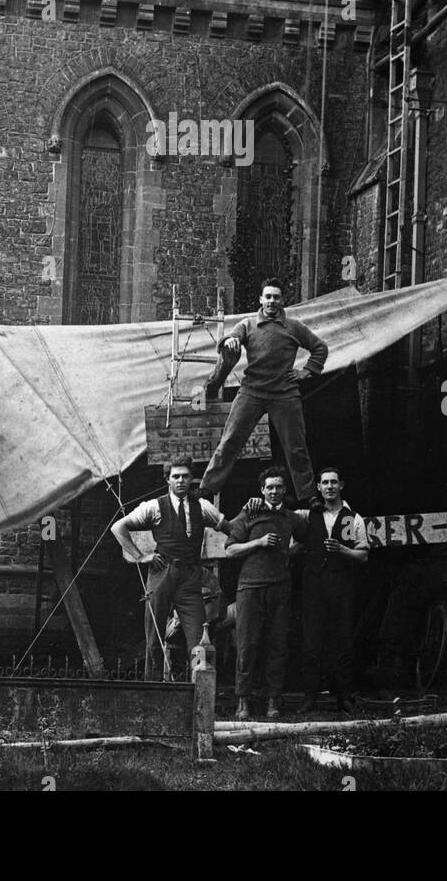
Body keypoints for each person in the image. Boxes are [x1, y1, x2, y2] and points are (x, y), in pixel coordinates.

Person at [199, 277, 327, 504]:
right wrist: (230, 342)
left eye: (276, 297)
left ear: (282, 301)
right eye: (268, 297)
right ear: (261, 299)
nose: (272, 301)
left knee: (296, 448)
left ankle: (308, 496)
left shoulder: (294, 327)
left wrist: (306, 372)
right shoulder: (248, 324)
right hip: (252, 391)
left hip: (284, 393)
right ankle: (207, 489)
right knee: (230, 441)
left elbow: (320, 348)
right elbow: (231, 337)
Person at [111, 457, 233, 679]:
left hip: (190, 577)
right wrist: (140, 556)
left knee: (198, 637)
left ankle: (199, 688)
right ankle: (154, 689)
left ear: (191, 479)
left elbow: (231, 529)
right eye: (175, 476)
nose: (180, 481)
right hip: (162, 573)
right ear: (168, 480)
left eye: (185, 476)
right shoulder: (154, 506)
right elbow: (118, 527)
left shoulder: (203, 507)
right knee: (154, 635)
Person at [224, 466, 309, 722]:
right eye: (269, 487)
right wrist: (257, 543)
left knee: (277, 644)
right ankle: (243, 701)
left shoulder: (291, 518)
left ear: (285, 490)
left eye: (278, 487)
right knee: (247, 644)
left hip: (280, 587)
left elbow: (306, 536)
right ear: (262, 490)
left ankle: (273, 700)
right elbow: (230, 550)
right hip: (250, 587)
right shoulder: (249, 513)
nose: (274, 491)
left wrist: (289, 551)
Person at [297, 465, 368, 715]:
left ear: (341, 486)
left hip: (341, 584)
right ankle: (309, 697)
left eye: (334, 482)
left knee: (342, 639)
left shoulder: (351, 518)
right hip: (314, 585)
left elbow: (363, 554)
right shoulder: (308, 515)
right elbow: (284, 522)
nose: (329, 487)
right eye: (325, 483)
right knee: (312, 640)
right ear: (318, 487)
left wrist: (342, 550)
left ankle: (344, 697)